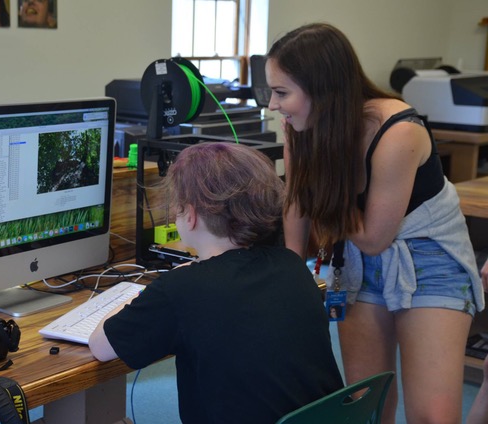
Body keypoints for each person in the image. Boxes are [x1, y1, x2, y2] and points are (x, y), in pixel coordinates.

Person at [266, 22, 485, 424]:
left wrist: (323, 186)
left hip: (429, 260)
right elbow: (297, 199)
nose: (272, 104)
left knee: (431, 417)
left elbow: (373, 237)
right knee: (367, 404)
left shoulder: (399, 133)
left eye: (282, 92)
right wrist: (290, 271)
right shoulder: (301, 128)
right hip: (356, 260)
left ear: (323, 90)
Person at [89, 142, 344, 423]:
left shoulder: (182, 288)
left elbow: (100, 346)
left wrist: (146, 290)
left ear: (191, 214)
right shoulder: (290, 264)